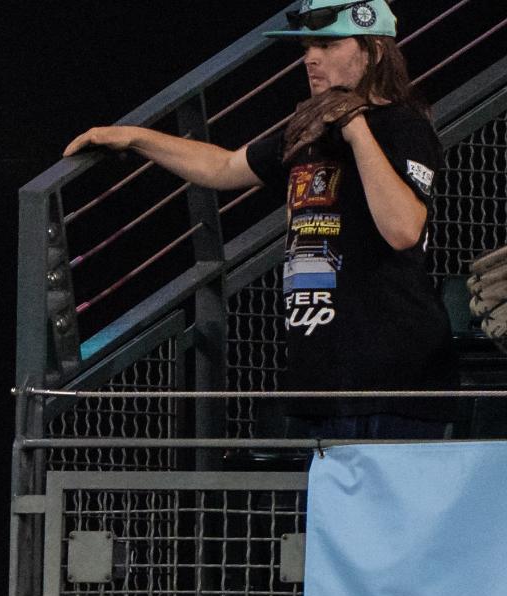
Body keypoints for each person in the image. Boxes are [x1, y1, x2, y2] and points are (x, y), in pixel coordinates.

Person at [65, 0, 453, 441]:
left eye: (328, 44)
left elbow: (402, 229)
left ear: (374, 51)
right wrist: (136, 137)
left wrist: (356, 129)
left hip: (392, 374)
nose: (311, 58)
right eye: (307, 48)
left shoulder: (402, 126)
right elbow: (223, 167)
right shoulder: (310, 130)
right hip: (322, 372)